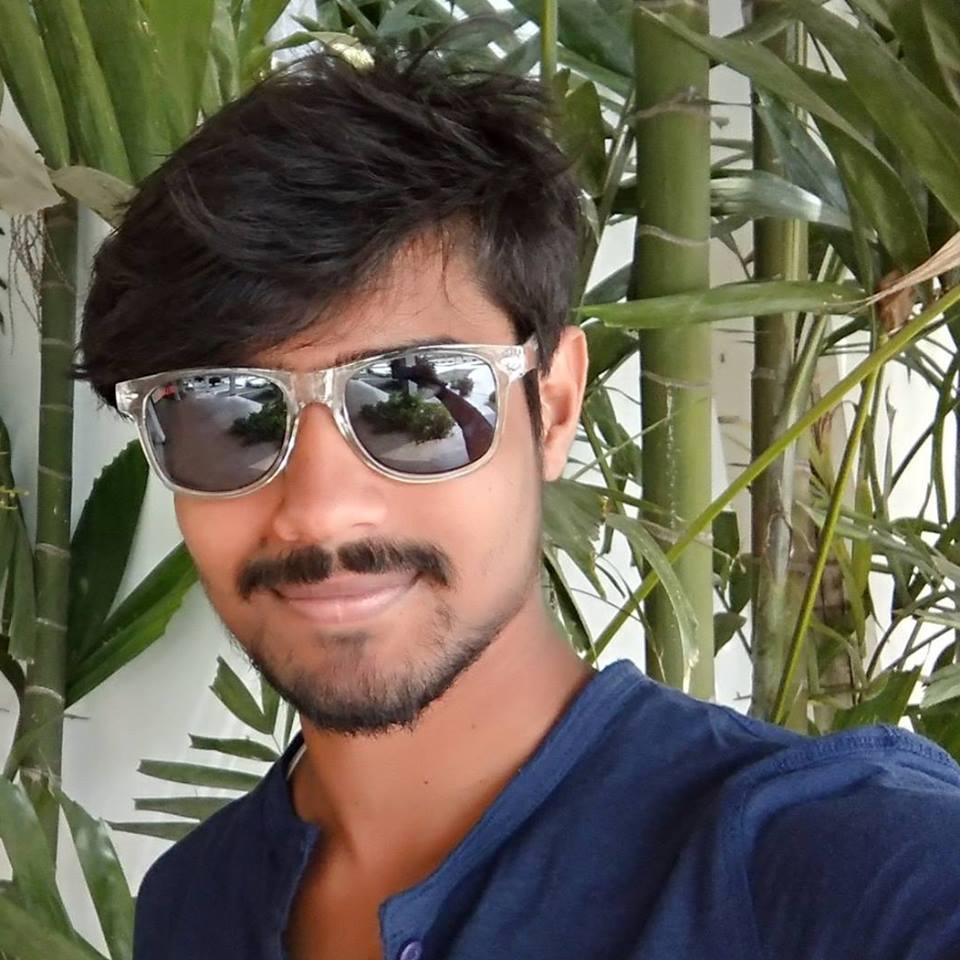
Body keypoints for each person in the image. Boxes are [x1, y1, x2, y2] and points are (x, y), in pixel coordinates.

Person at [77, 40, 960, 960]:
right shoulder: (192, 906)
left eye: (415, 398)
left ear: (554, 407)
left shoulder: (827, 867)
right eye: (227, 415)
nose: (321, 512)